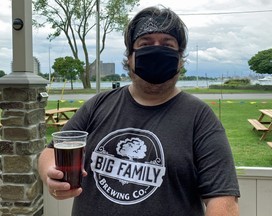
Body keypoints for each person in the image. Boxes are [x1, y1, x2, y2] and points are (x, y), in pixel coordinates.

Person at [38, 5, 240, 216]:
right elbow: (51, 151)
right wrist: (50, 174)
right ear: (129, 57)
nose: (156, 49)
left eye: (167, 44)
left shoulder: (200, 118)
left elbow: (223, 199)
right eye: (145, 43)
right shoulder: (97, 105)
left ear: (180, 58)